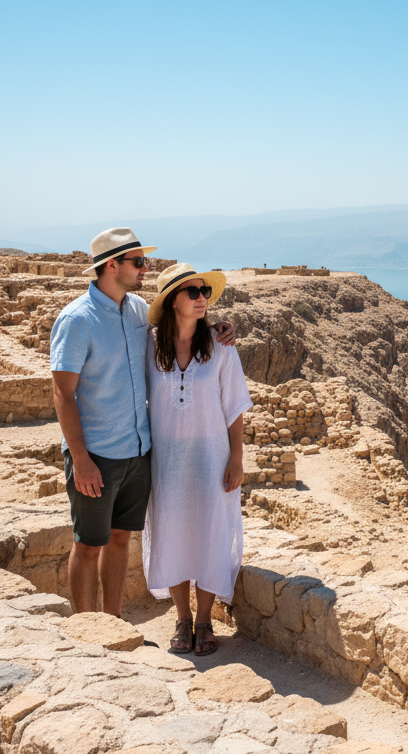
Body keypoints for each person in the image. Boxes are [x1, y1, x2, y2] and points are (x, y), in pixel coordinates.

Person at [50, 228, 234, 617]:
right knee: (87, 544)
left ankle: (113, 623)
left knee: (119, 540)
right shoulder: (76, 319)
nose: (145, 269)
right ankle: (86, 632)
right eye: (139, 262)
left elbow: (181, 324)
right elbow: (62, 393)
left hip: (138, 453)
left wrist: (219, 328)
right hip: (97, 453)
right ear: (112, 265)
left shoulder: (136, 311)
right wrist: (80, 459)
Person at [142, 263, 251, 655]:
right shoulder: (150, 346)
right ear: (173, 301)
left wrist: (236, 457)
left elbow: (235, 406)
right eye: (193, 292)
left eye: (205, 290)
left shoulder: (221, 347)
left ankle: (204, 620)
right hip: (167, 461)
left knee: (209, 533)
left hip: (211, 459)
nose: (202, 297)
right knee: (172, 532)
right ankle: (182, 619)